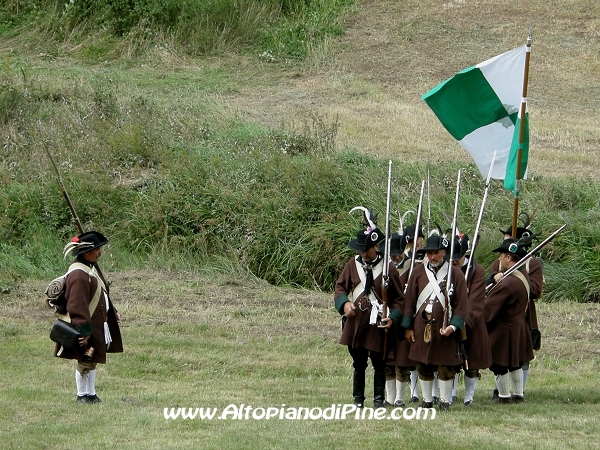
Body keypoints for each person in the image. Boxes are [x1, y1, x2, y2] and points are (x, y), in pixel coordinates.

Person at [334, 212, 404, 408]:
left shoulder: (388, 268)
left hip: (378, 323)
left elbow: (399, 300)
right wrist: (345, 305)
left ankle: (379, 400)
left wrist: (393, 318)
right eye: (361, 250)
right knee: (359, 364)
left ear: (375, 247)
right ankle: (358, 400)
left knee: (379, 364)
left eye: (367, 249)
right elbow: (340, 288)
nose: (364, 253)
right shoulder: (353, 264)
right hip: (357, 322)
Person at [402, 233, 468, 411]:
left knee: (445, 366)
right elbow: (409, 302)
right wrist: (408, 327)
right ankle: (427, 400)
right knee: (422, 365)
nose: (432, 256)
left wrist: (453, 326)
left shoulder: (456, 275)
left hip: (444, 327)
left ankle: (445, 401)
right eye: (430, 253)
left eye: (436, 252)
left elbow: (462, 306)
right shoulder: (417, 272)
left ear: (444, 253)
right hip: (421, 325)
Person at [55, 231, 123, 403]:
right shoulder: (79, 274)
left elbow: (101, 294)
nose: (100, 252)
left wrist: (111, 311)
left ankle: (91, 394)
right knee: (84, 360)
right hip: (85, 325)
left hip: (95, 323)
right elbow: (76, 304)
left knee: (93, 358)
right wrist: (83, 328)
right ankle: (81, 395)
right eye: (97, 249)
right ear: (86, 253)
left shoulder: (89, 270)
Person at [491, 216, 544, 395]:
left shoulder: (531, 263)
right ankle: (504, 391)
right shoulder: (499, 263)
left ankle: (516, 392)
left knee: (520, 355)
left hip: (523, 312)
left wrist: (514, 283)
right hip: (504, 312)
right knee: (506, 356)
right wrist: (495, 277)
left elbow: (535, 290)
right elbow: (490, 282)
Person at [484, 238, 534, 404]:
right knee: (516, 364)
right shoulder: (521, 276)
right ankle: (518, 395)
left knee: (499, 365)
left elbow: (489, 307)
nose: (499, 259)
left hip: (505, 329)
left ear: (509, 258)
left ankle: (504, 396)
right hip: (517, 325)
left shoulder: (509, 282)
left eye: (501, 256)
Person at [450, 234, 491, 405]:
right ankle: (450, 394)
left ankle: (469, 396)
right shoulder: (448, 269)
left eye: (457, 258)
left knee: (471, 364)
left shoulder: (477, 271)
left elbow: (475, 301)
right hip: (450, 320)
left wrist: (463, 321)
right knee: (450, 362)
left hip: (470, 322)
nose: (454, 261)